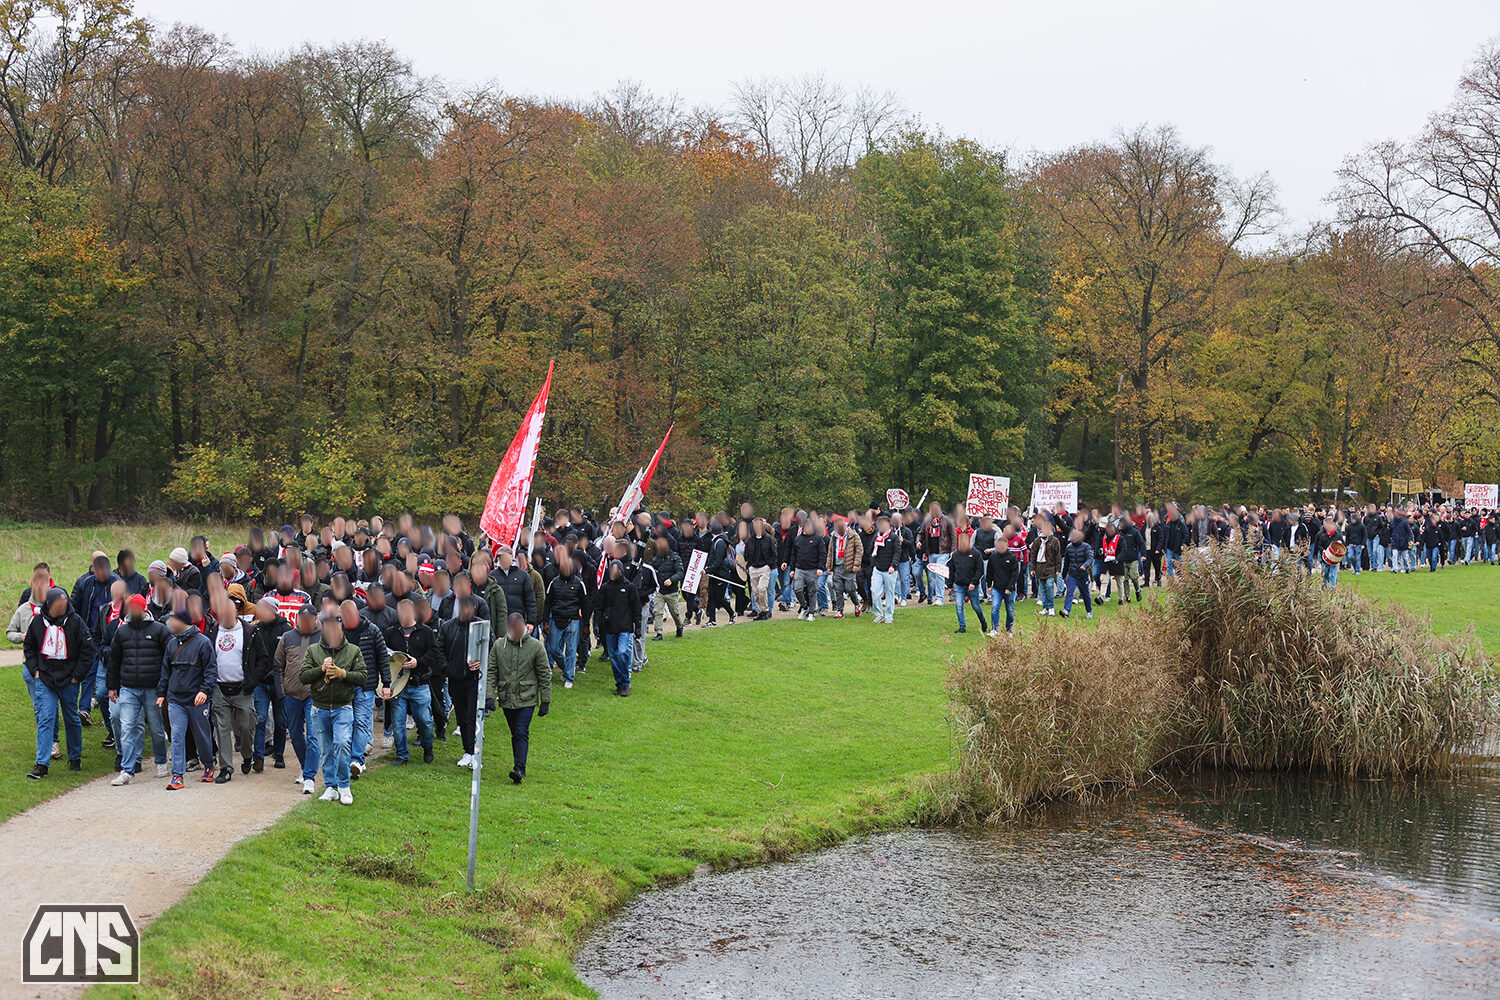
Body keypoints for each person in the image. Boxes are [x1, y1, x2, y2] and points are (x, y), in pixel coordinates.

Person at [23, 588, 95, 779]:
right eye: (59, 606)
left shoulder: (76, 622)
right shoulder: (38, 622)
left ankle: (75, 757)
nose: (64, 608)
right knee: (46, 717)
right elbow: (29, 647)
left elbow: (88, 650)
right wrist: (35, 671)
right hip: (45, 678)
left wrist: (76, 676)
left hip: (69, 680)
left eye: (65, 605)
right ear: (50, 605)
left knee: (71, 718)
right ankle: (42, 764)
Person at [300, 613, 366, 805]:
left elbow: (363, 676)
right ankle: (331, 787)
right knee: (326, 750)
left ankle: (344, 785)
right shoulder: (313, 650)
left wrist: (343, 673)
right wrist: (321, 669)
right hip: (319, 708)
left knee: (342, 744)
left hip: (343, 706)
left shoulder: (353, 651)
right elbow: (303, 676)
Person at [105, 594, 171, 784]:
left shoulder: (159, 630)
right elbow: (114, 661)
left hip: (152, 688)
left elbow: (168, 658)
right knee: (127, 727)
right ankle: (128, 769)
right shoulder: (122, 632)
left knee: (157, 728)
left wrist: (164, 688)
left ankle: (161, 761)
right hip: (128, 688)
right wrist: (112, 686)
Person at [484, 612, 551, 784]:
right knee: (515, 733)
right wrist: (489, 697)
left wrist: (545, 700)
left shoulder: (536, 647)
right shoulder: (499, 646)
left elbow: (544, 674)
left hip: (527, 698)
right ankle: (519, 765)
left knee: (521, 731)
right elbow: (491, 673)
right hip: (507, 698)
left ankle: (519, 768)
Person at [158, 608, 217, 789]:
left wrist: (205, 691)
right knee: (176, 736)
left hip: (197, 699)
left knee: (202, 735)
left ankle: (208, 765)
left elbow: (211, 670)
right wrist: (162, 693)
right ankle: (177, 775)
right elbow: (166, 671)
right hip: (176, 700)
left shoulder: (203, 643)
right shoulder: (172, 644)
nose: (169, 623)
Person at [383, 598, 438, 765]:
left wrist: (418, 662)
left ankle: (428, 746)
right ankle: (401, 755)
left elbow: (435, 653)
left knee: (425, 720)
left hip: (419, 684)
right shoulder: (391, 633)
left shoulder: (426, 632)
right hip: (398, 686)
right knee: (398, 723)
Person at [208, 594, 256, 782]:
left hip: (243, 689)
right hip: (220, 689)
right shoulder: (212, 632)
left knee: (245, 727)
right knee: (222, 729)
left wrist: (252, 681)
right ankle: (226, 768)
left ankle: (247, 754)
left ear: (236, 612)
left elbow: (261, 659)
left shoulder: (249, 631)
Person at [275, 602, 322, 793]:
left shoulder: (324, 636)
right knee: (295, 734)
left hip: (315, 694)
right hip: (291, 694)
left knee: (312, 735)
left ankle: (309, 777)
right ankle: (305, 767)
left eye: (307, 620)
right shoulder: (287, 637)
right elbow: (278, 664)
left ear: (315, 619)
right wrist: (282, 691)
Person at [341, 599, 390, 780]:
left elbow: (383, 658)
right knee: (346, 723)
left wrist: (386, 684)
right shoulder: (339, 631)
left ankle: (356, 760)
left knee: (361, 722)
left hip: (365, 686)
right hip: (343, 686)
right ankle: (347, 759)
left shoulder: (372, 630)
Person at [439, 595, 485, 767]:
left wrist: (482, 662)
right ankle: (467, 751)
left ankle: (475, 753)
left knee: (473, 717)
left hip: (475, 680)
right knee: (462, 717)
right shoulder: (448, 628)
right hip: (456, 680)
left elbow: (490, 646)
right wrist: (448, 669)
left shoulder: (482, 627)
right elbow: (440, 650)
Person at [596, 559, 639, 696]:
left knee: (621, 652)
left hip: (625, 628)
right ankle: (620, 683)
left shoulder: (629, 587)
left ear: (620, 571)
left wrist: (637, 626)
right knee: (614, 657)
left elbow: (636, 607)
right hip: (609, 627)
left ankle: (625, 682)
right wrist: (598, 623)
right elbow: (599, 607)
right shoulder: (605, 588)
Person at [543, 552, 585, 688]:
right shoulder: (554, 583)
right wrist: (545, 621)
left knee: (571, 650)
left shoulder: (579, 583)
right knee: (554, 649)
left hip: (573, 620)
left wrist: (584, 623)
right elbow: (547, 603)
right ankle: (565, 667)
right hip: (556, 619)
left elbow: (585, 603)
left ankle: (569, 677)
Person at [948, 533, 986, 633]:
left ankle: (983, 622)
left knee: (976, 606)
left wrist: (974, 582)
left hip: (972, 585)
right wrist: (950, 585)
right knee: (959, 605)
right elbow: (951, 570)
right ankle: (962, 626)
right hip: (958, 584)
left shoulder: (976, 554)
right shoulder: (955, 555)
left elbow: (979, 570)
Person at [649, 536, 685, 639]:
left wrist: (671, 580)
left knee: (675, 612)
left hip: (672, 591)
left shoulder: (675, 558)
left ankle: (679, 627)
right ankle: (659, 633)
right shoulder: (656, 559)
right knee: (658, 611)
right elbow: (652, 569)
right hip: (660, 591)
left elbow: (680, 572)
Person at [985, 536, 1020, 637]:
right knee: (995, 608)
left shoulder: (1012, 558)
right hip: (997, 588)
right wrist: (989, 585)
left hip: (1009, 589)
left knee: (1010, 610)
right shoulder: (993, 557)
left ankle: (1009, 630)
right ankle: (995, 629)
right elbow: (989, 572)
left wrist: (1010, 587)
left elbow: (1015, 574)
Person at [867, 513, 899, 625]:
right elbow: (871, 551)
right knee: (874, 591)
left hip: (890, 570)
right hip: (878, 569)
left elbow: (897, 552)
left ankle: (889, 616)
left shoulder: (894, 537)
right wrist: (873, 564)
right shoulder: (876, 537)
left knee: (890, 593)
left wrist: (893, 566)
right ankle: (878, 614)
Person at [1029, 519, 1062, 616]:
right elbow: (1033, 556)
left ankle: (1051, 607)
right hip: (1039, 568)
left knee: (1049, 586)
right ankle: (1045, 607)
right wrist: (1032, 569)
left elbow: (1058, 556)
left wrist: (1058, 569)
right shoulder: (1037, 541)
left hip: (1050, 567)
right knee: (1042, 588)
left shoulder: (1055, 541)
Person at [1060, 529, 1094, 620]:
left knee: (1086, 594)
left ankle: (1089, 611)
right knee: (1069, 593)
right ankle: (1066, 610)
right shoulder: (1069, 548)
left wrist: (1085, 566)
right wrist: (1064, 575)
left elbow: (1090, 558)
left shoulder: (1086, 547)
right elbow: (1066, 563)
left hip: (1083, 575)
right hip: (1072, 574)